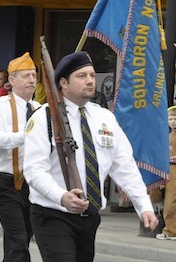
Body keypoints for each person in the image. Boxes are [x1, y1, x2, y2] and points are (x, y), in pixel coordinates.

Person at [23, 51, 157, 261]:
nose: (90, 81)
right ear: (63, 83)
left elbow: (124, 167)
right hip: (53, 213)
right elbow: (33, 170)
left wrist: (144, 206)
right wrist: (61, 196)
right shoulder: (44, 118)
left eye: (92, 75)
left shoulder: (104, 118)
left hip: (90, 216)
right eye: (82, 76)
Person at [0, 52, 39, 262]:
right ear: (12, 80)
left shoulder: (39, 109)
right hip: (6, 184)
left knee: (20, 241)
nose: (32, 80)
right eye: (26, 76)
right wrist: (25, 136)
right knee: (18, 242)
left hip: (32, 185)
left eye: (34, 75)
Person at [156, 106, 176, 240]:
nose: (173, 121)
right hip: (166, 169)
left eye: (175, 118)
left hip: (174, 170)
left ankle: (170, 231)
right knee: (159, 196)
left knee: (171, 202)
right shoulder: (167, 135)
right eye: (170, 118)